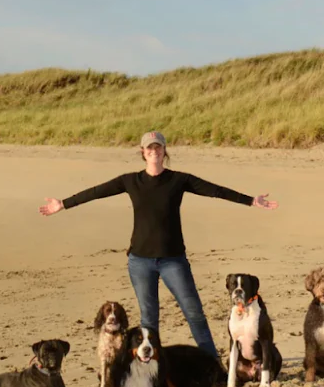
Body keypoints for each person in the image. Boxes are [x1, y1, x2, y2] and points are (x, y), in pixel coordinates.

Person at [39, 131, 278, 360]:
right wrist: (63, 204)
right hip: (140, 262)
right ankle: (152, 367)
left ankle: (211, 362)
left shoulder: (178, 180)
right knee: (149, 320)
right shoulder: (130, 181)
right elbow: (96, 192)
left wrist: (250, 201)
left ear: (164, 151)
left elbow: (215, 190)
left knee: (194, 313)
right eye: (149, 148)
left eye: (158, 147)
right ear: (143, 152)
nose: (154, 151)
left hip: (173, 260)